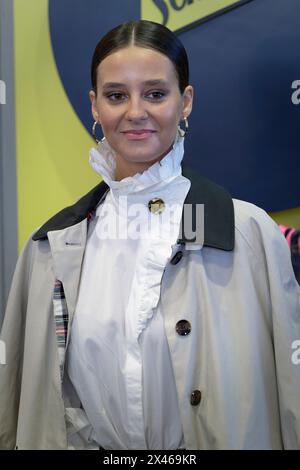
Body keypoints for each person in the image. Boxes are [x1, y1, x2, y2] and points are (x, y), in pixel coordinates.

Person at [0, 19, 300, 451]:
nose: (135, 111)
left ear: (186, 102)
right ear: (95, 106)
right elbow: (18, 407)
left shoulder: (248, 234)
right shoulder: (48, 247)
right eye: (116, 95)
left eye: (156, 93)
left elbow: (292, 397)